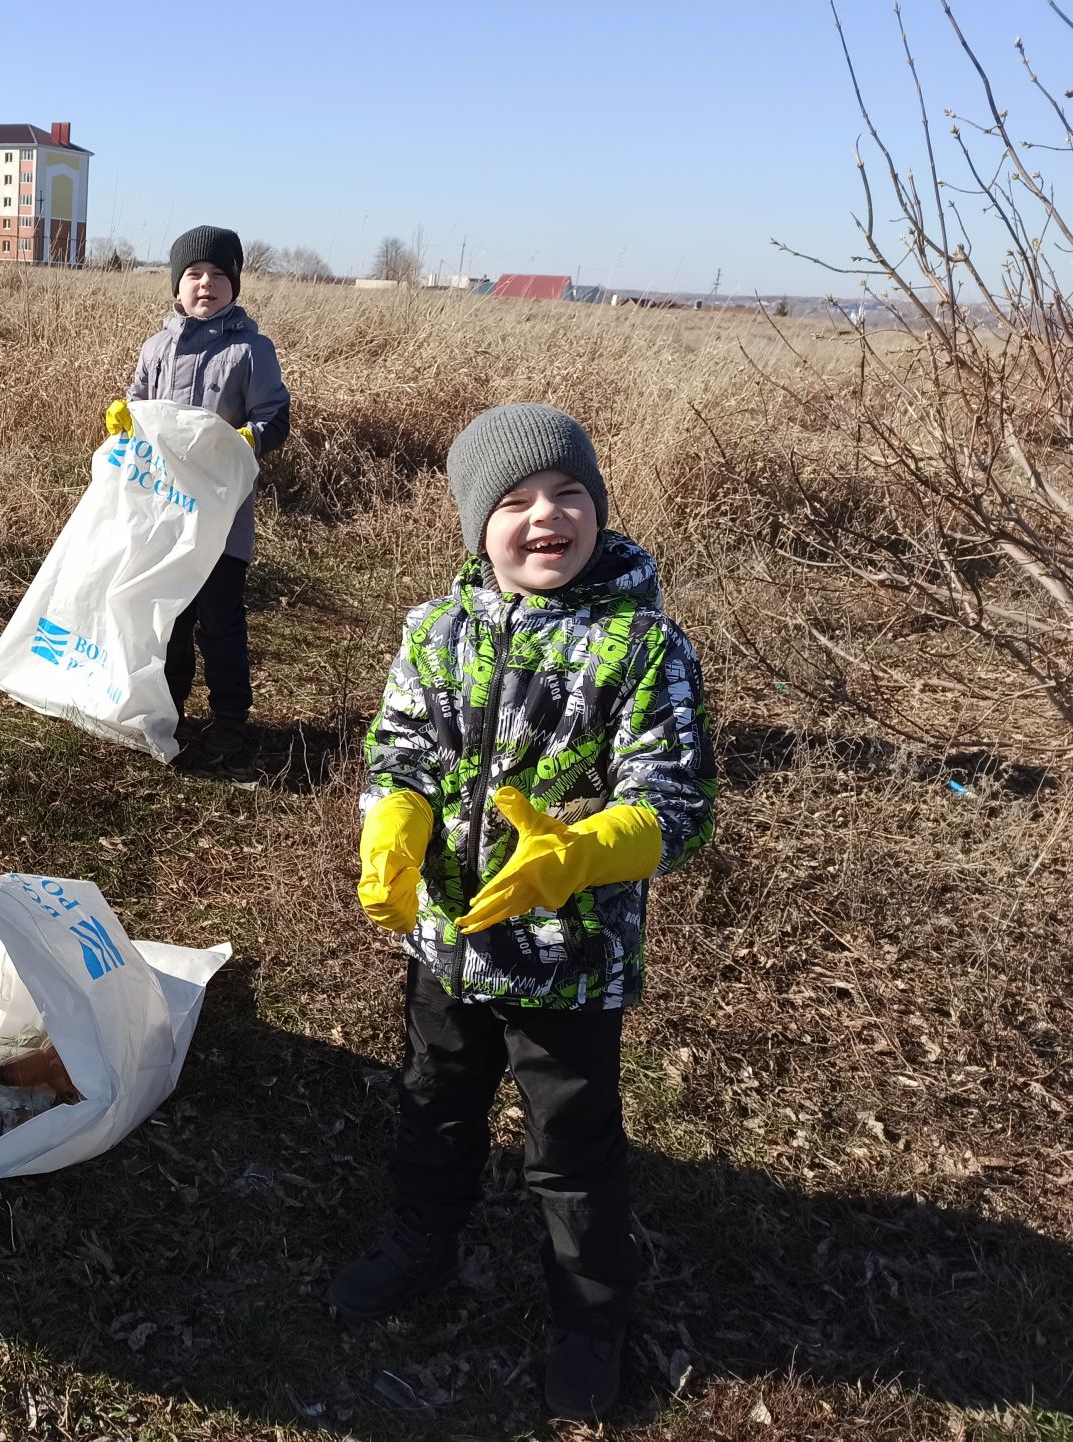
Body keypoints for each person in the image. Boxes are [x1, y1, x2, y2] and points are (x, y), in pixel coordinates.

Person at [330, 403, 717, 1420]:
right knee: (432, 1101)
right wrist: (393, 827)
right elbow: (399, 749)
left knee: (572, 1146)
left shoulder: (642, 647)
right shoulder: (434, 630)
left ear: (598, 509)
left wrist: (586, 849)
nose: (547, 514)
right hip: (448, 943)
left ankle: (591, 1313)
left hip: (568, 958)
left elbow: (675, 800)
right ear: (475, 523)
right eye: (515, 500)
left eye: (569, 493)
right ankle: (421, 1238)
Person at [106, 224, 291, 774]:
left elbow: (275, 416)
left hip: (222, 515)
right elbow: (140, 403)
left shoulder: (252, 350)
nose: (205, 284)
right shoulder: (156, 346)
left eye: (217, 274)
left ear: (234, 283)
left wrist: (249, 439)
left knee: (221, 618)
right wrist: (123, 419)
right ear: (176, 286)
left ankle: (232, 717)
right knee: (171, 615)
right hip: (165, 511)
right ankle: (170, 710)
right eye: (193, 274)